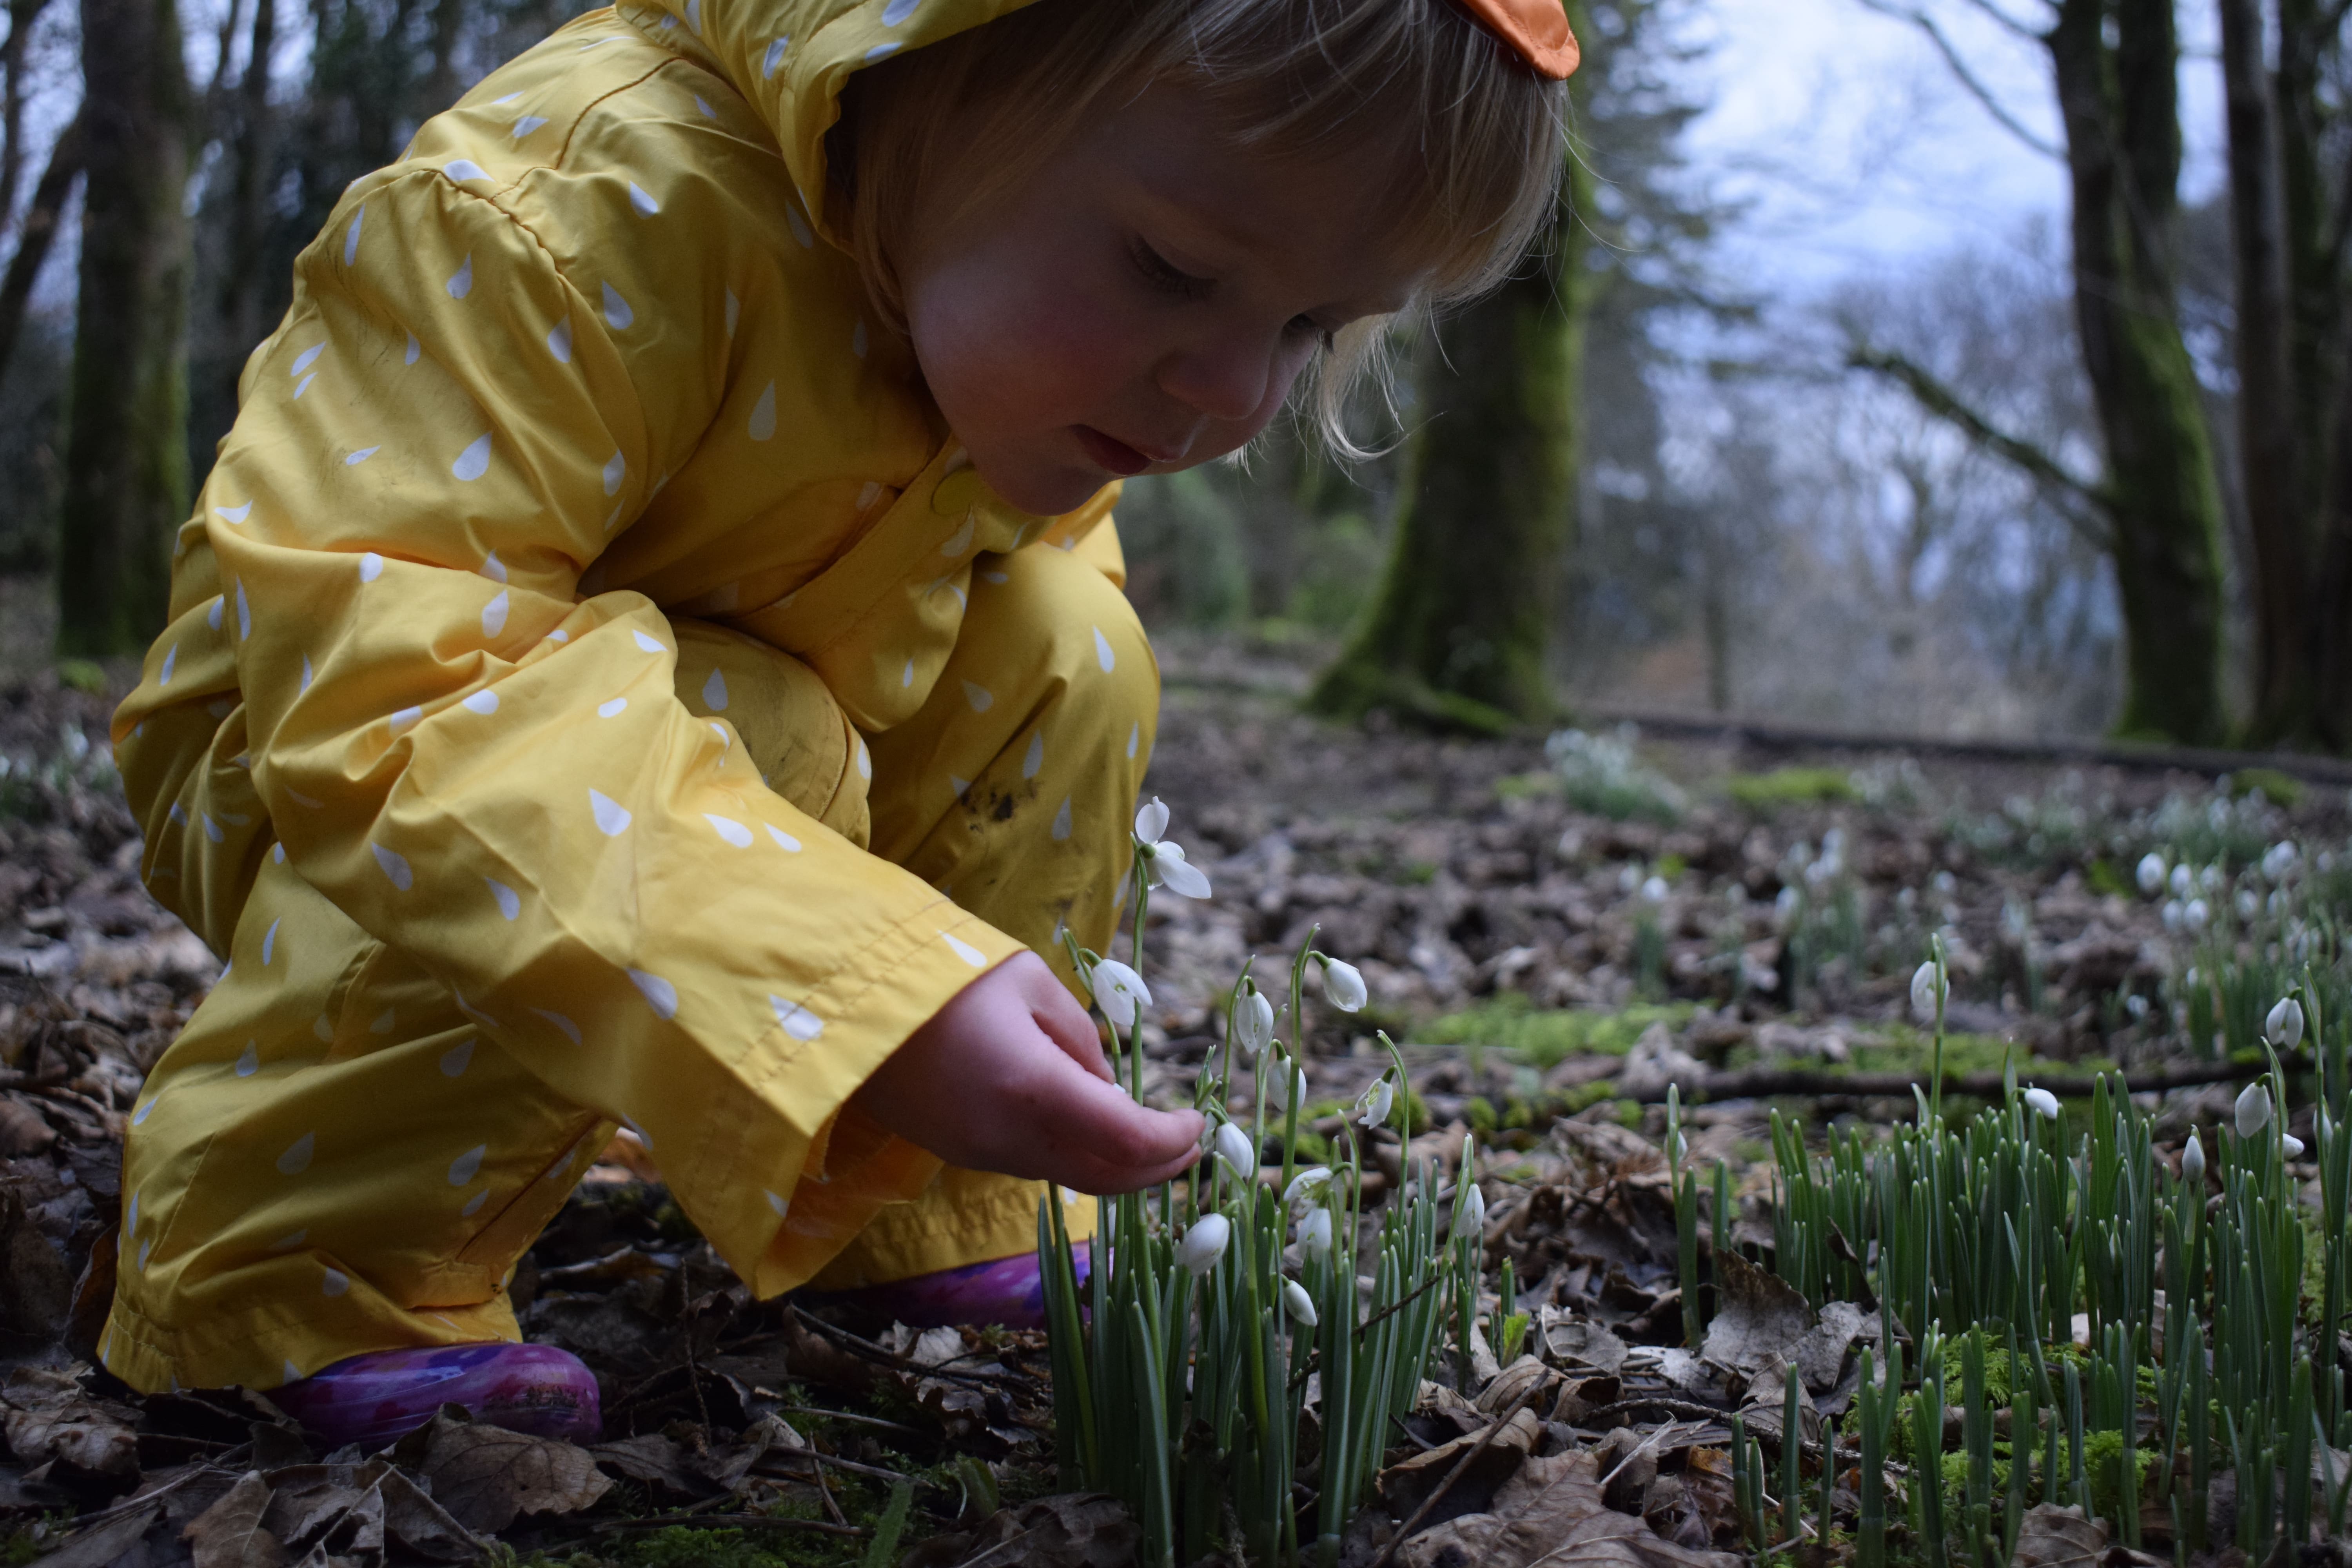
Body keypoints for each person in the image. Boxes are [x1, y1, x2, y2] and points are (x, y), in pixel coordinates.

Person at [104, 0, 1575, 1450]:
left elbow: (1006, 661)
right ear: (937, 62)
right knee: (760, 728)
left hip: (704, 761)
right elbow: (407, 675)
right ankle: (291, 1263)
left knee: (1074, 648)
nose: (1231, 392)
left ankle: (927, 1200)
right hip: (316, 746)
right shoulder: (568, 210)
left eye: (1312, 327)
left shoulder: (1011, 342)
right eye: (1170, 266)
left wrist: (902, 995)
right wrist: (862, 981)